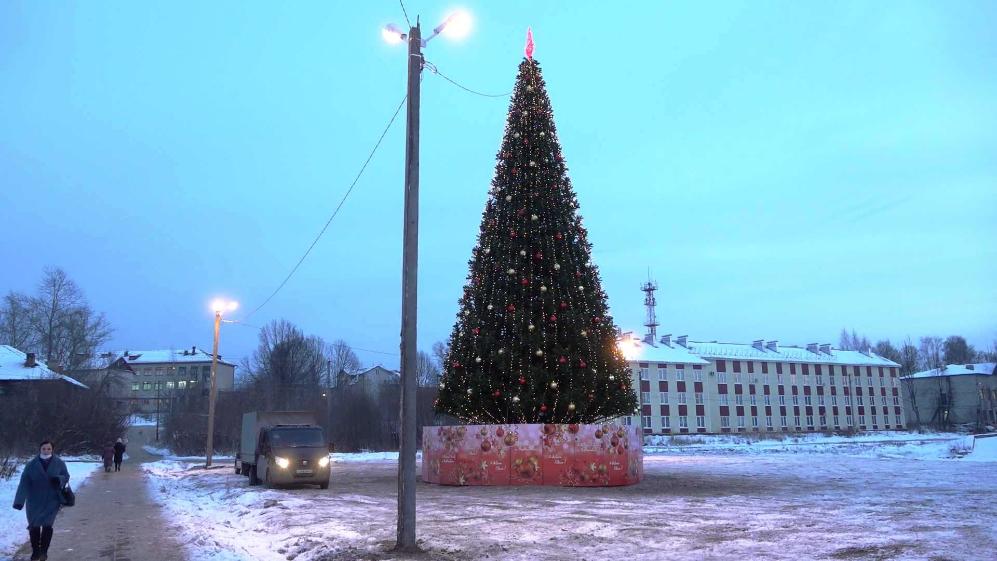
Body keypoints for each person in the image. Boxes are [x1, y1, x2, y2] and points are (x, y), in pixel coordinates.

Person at [12, 440, 70, 561]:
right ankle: (35, 551)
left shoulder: (59, 463)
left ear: (52, 450)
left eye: (49, 449)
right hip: (34, 500)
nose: (46, 451)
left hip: (52, 500)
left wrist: (59, 479)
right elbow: (24, 483)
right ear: (40, 449)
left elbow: (66, 476)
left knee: (48, 526)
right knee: (34, 526)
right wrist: (19, 501)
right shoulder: (31, 464)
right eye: (44, 448)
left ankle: (44, 551)